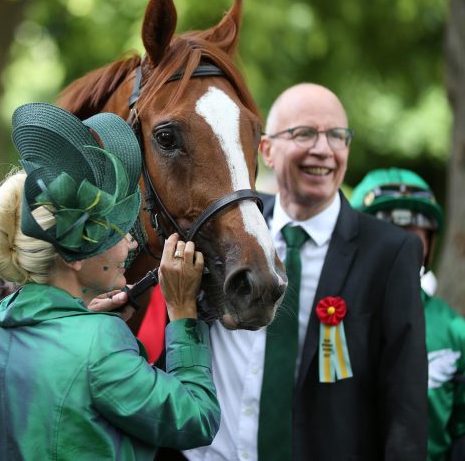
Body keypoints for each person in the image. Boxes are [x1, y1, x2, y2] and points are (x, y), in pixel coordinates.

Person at [184, 83, 428, 461]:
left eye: (337, 136)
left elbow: (405, 405)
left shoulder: (391, 252)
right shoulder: (221, 233)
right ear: (265, 150)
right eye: (304, 133)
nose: (324, 149)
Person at [0, 103, 221, 459]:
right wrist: (182, 313)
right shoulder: (101, 342)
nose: (131, 242)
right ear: (76, 257)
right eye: (116, 233)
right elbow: (198, 419)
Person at [352, 167, 465, 461]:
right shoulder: (329, 317)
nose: (401, 245)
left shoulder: (456, 331)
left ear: (429, 243)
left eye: (414, 234)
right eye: (388, 232)